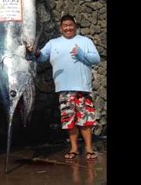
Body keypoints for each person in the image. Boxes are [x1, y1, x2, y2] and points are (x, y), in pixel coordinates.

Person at [31, 14, 100, 160]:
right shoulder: (53, 43)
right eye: (65, 25)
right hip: (64, 88)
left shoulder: (85, 41)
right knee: (69, 120)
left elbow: (96, 59)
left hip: (82, 87)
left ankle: (89, 148)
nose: (68, 28)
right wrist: (35, 52)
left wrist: (81, 54)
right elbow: (41, 57)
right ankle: (74, 149)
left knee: (86, 120)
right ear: (61, 28)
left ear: (75, 25)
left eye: (70, 25)